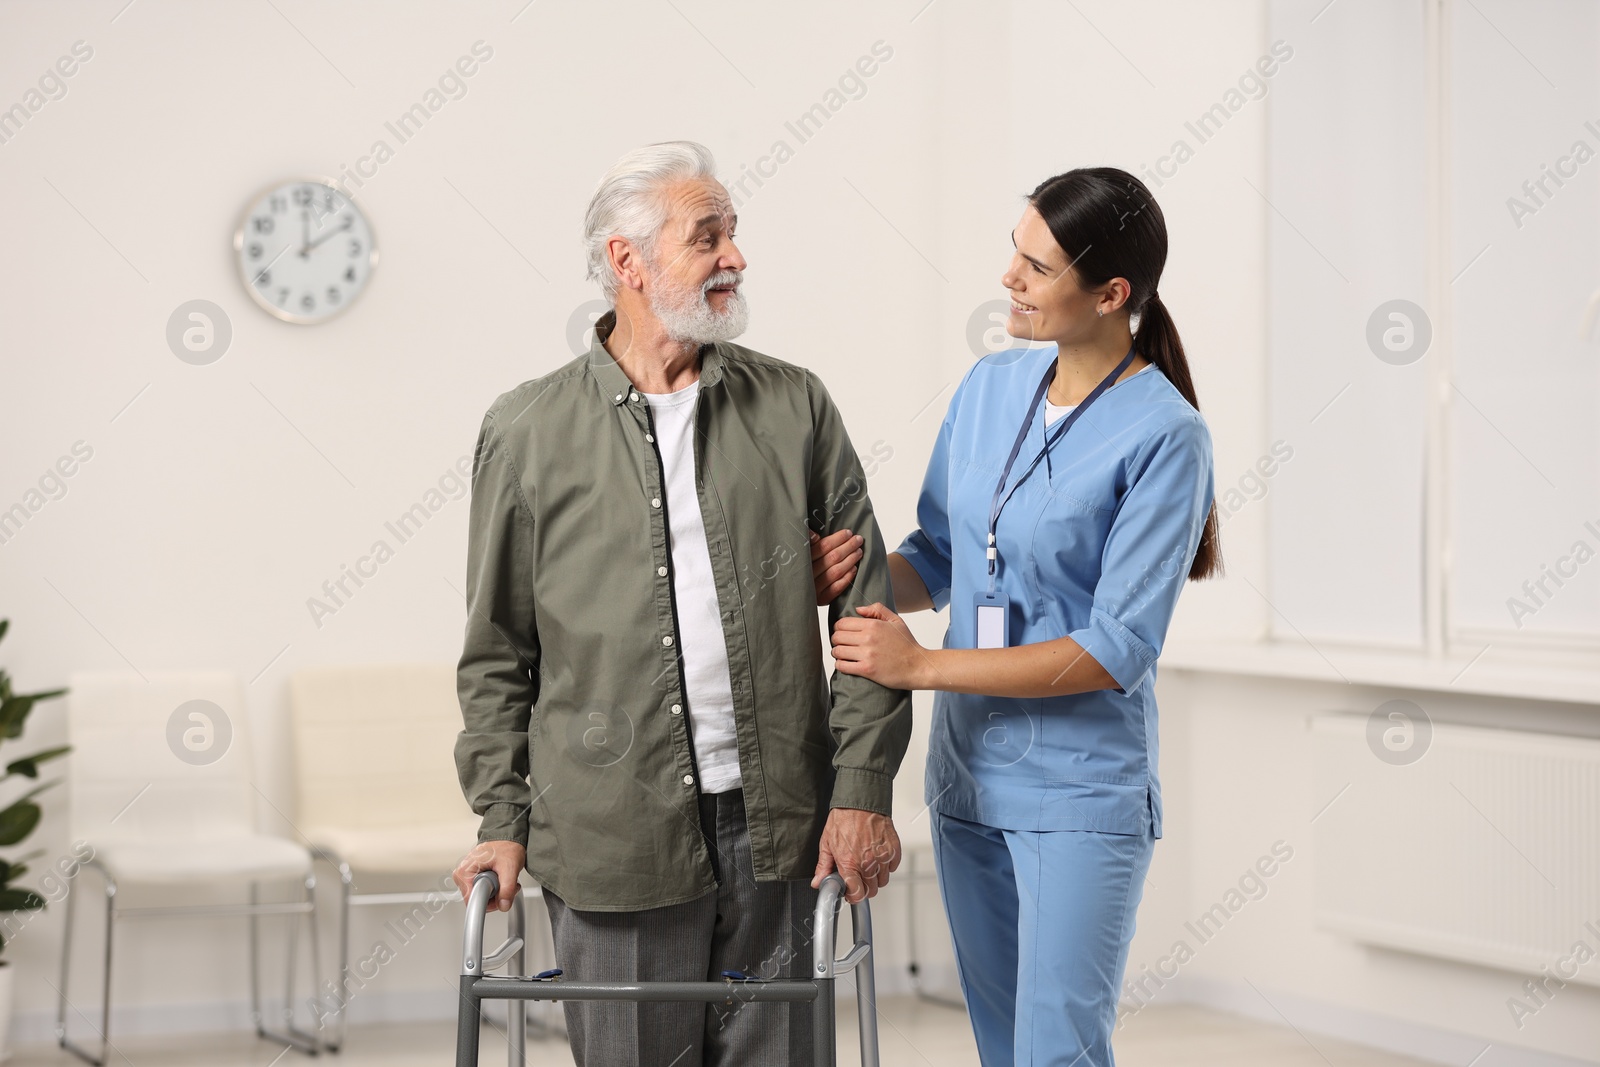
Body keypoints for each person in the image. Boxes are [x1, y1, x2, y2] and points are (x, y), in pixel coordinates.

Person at [451, 140, 912, 1067]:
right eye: (708, 237)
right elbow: (499, 650)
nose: (735, 257)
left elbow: (866, 621)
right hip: (610, 833)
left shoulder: (795, 406)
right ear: (627, 261)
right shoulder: (527, 430)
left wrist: (862, 789)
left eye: (732, 234)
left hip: (782, 823)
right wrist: (501, 818)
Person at [813, 167, 1220, 1067]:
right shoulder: (993, 387)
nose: (1010, 279)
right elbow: (941, 556)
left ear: (1111, 294)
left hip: (1077, 792)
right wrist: (839, 572)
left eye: (1037, 267)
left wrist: (919, 667)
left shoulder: (1166, 435)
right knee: (1003, 1048)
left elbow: (1115, 648)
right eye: (1014, 253)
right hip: (969, 785)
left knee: (1057, 1051)